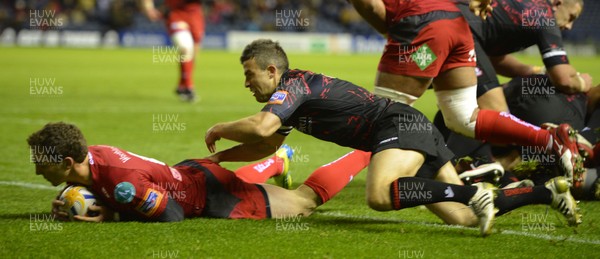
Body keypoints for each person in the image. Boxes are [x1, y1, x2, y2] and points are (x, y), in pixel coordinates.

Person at [204, 39, 581, 236]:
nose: (247, 83)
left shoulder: (293, 86)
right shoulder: (291, 95)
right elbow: (268, 143)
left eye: (250, 75)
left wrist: (219, 129)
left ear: (272, 70)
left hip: (398, 126)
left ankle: (474, 191)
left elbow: (262, 128)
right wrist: (224, 158)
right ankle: (547, 192)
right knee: (464, 219)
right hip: (410, 127)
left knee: (380, 194)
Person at [348, 0, 583, 185]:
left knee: (382, 117)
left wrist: (400, 36)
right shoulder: (530, 11)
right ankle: (548, 141)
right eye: (572, 17)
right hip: (454, 26)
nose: (571, 26)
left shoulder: (540, 13)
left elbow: (371, 6)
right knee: (463, 116)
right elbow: (497, 58)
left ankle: (317, 191)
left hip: (427, 29)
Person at [28, 122, 370, 222]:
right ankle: (279, 161)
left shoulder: (123, 184)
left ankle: (371, 148)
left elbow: (173, 214)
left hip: (211, 194)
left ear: (69, 163)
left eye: (41, 162)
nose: (36, 169)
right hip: (189, 175)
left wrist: (112, 217)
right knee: (243, 183)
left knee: (302, 203)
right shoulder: (94, 158)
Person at [432, 0, 591, 177]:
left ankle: (440, 170)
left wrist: (533, 71)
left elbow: (495, 59)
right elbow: (564, 79)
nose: (569, 26)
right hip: (459, 30)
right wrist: (583, 82)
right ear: (557, 3)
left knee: (444, 107)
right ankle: (476, 167)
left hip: (437, 25)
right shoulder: (544, 15)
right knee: (497, 113)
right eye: (571, 17)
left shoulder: (523, 10)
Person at [141, 0, 204, 102]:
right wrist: (149, 8)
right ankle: (188, 87)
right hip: (175, 15)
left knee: (193, 54)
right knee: (185, 48)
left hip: (195, 15)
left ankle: (181, 86)